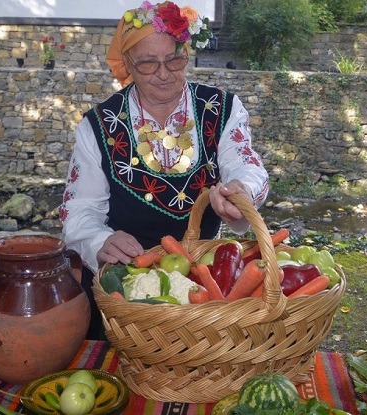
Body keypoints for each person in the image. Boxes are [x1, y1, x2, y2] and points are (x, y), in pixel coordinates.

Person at [59, 1, 269, 339]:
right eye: (146, 62)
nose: (162, 72)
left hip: (203, 287)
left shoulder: (222, 109)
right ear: (127, 62)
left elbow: (245, 162)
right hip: (123, 290)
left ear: (187, 53)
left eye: (174, 59)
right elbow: (79, 211)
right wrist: (100, 239)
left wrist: (241, 188)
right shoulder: (98, 126)